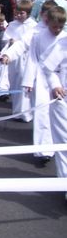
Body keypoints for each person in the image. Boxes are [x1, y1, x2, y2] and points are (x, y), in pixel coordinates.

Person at [22, 6, 66, 167]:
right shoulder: (38, 37)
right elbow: (33, 59)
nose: (57, 29)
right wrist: (28, 80)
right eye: (54, 26)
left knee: (59, 120)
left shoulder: (64, 38)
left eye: (60, 26)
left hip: (61, 82)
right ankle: (44, 150)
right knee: (41, 113)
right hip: (41, 78)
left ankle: (56, 145)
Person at [0, 0, 38, 121]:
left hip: (26, 58)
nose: (19, 15)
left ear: (28, 13)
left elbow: (30, 42)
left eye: (22, 13)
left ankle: (26, 113)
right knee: (14, 82)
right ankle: (16, 111)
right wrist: (10, 41)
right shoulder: (12, 25)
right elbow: (6, 37)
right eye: (18, 13)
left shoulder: (33, 26)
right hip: (13, 57)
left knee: (23, 83)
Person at [42, 36, 67, 199]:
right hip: (63, 100)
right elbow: (49, 69)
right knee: (64, 144)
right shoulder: (63, 44)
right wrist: (55, 85)